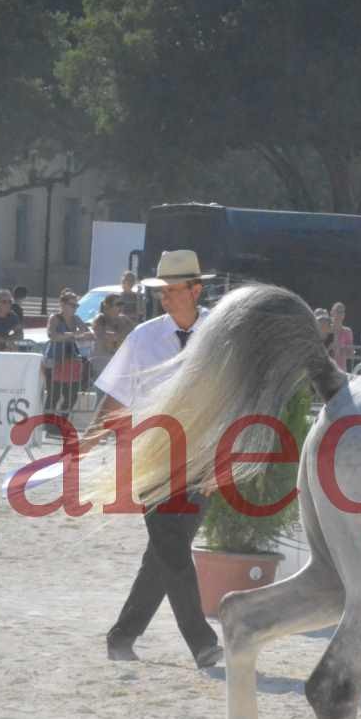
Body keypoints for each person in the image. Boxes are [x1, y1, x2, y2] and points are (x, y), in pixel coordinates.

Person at [92, 249, 222, 669]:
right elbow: (116, 394)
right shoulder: (144, 337)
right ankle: (201, 641)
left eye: (172, 291)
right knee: (172, 547)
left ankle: (122, 635)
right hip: (154, 457)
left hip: (202, 459)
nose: (164, 298)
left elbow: (230, 404)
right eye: (161, 292)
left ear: (196, 290)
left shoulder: (220, 338)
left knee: (166, 553)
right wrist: (91, 437)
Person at [46, 290, 92, 413]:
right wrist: (72, 335)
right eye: (72, 305)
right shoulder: (55, 318)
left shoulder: (76, 318)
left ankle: (62, 421)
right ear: (62, 304)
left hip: (70, 361)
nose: (75, 308)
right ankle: (47, 424)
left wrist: (80, 335)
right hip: (54, 360)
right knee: (53, 395)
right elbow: (52, 335)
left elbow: (88, 334)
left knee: (71, 395)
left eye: (76, 305)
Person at [90, 295, 131, 379]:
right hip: (102, 362)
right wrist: (119, 336)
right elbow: (101, 335)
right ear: (108, 306)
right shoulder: (100, 319)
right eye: (118, 304)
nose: (121, 307)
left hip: (119, 363)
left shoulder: (124, 319)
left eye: (122, 304)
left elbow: (133, 334)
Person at [329, 302, 356, 371]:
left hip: (341, 369)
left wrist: (344, 350)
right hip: (327, 368)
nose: (340, 314)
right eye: (337, 311)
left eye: (342, 312)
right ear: (332, 313)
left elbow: (350, 352)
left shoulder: (347, 331)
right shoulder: (326, 329)